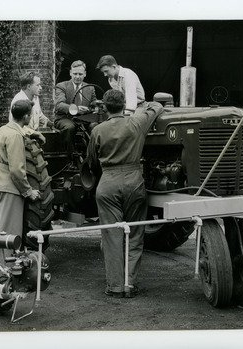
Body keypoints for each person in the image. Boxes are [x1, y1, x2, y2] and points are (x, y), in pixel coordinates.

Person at [86, 90, 164, 298]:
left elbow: (91, 163)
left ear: (104, 108)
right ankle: (130, 285)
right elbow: (157, 107)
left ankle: (115, 286)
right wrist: (142, 105)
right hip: (134, 181)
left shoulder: (98, 130)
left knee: (112, 236)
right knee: (135, 235)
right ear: (123, 105)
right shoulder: (137, 122)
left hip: (108, 183)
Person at [0, 99, 41, 266]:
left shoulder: (1, 131)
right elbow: (17, 170)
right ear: (25, 116)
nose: (30, 118)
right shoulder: (15, 136)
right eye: (30, 115)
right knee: (9, 234)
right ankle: (5, 272)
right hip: (8, 188)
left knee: (0, 230)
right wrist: (28, 191)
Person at [54, 60, 97, 165]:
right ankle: (72, 159)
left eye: (80, 74)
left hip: (85, 119)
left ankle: (92, 157)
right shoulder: (62, 86)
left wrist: (94, 108)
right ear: (70, 73)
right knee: (69, 128)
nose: (77, 76)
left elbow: (94, 104)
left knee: (96, 127)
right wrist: (76, 108)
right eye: (75, 74)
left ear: (85, 74)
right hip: (65, 118)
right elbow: (59, 105)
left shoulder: (90, 88)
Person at [9, 71, 53, 143]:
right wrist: (36, 134)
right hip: (20, 140)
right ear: (29, 86)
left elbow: (38, 114)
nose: (41, 88)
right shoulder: (17, 101)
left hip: (33, 140)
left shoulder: (35, 97)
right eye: (38, 85)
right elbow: (15, 126)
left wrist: (49, 123)